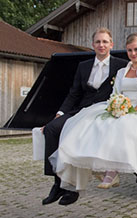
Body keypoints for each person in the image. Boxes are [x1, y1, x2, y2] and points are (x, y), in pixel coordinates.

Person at [49, 33, 137, 204]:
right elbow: (115, 93)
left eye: (136, 49)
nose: (133, 53)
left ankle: (111, 171)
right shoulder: (121, 72)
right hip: (122, 106)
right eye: (129, 50)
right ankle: (96, 166)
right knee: (92, 123)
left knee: (125, 126)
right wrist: (115, 106)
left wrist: (131, 110)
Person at [42, 28, 128, 206]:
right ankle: (58, 183)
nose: (101, 45)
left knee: (76, 136)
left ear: (111, 44)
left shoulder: (121, 65)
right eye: (98, 42)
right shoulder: (83, 66)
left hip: (104, 111)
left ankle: (73, 189)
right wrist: (59, 115)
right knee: (51, 129)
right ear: (93, 45)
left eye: (105, 42)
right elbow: (73, 94)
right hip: (81, 109)